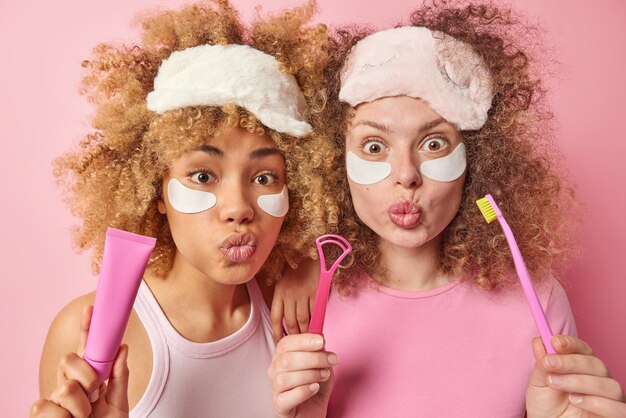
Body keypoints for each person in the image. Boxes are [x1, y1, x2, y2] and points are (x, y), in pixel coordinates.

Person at [268, 2, 626, 417]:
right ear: (333, 162)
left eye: (434, 143)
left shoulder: (537, 302)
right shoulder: (303, 303)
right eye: (374, 146)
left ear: (478, 158)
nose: (406, 174)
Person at [29, 1, 336, 416]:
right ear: (155, 186)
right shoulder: (84, 335)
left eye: (264, 178)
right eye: (203, 176)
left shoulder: (293, 319)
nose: (238, 209)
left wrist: (310, 266)